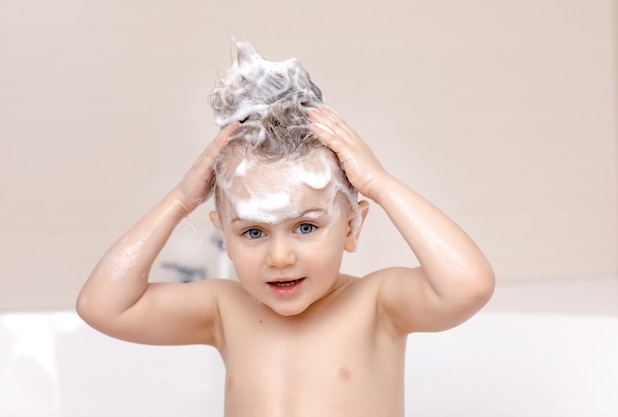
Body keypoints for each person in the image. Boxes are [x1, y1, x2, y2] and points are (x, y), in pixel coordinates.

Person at [76, 40, 495, 417]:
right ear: (224, 236)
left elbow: (468, 286)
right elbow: (102, 306)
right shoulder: (225, 309)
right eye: (253, 232)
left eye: (306, 227)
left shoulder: (376, 305)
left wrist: (378, 183)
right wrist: (179, 201)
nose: (280, 257)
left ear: (352, 226)